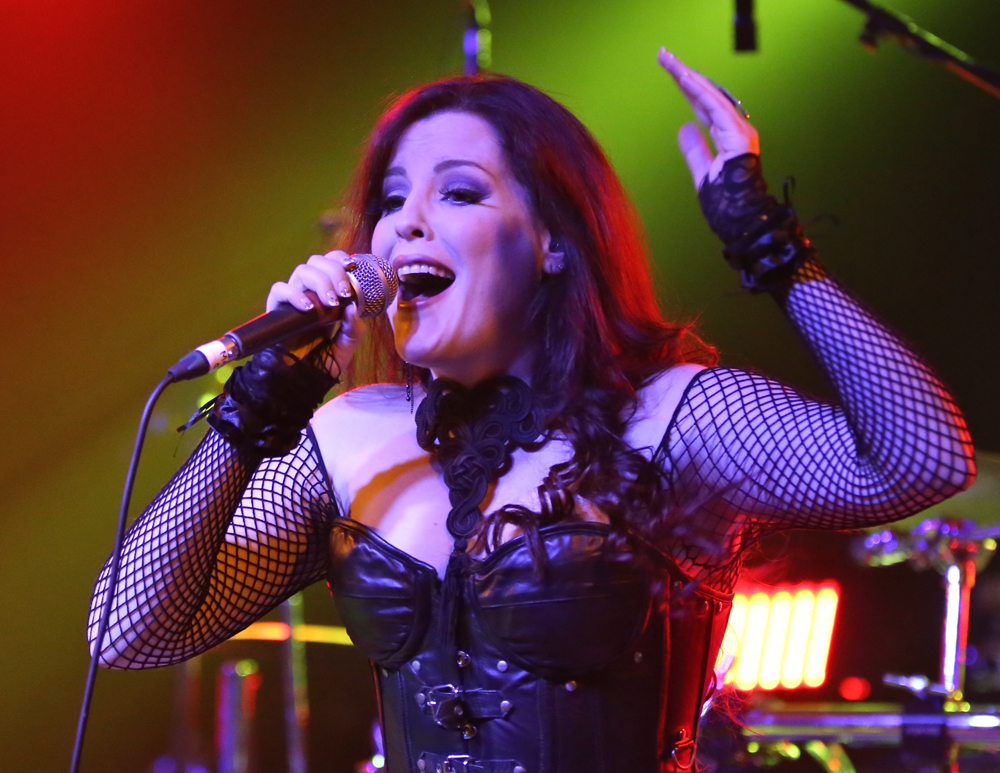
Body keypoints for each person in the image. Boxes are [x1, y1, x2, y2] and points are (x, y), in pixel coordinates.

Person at [88, 50, 975, 773]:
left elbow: (925, 459)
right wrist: (259, 402)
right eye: (391, 200)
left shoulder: (667, 417)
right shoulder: (353, 435)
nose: (405, 226)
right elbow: (125, 631)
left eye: (459, 192)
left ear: (554, 240)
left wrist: (767, 244)